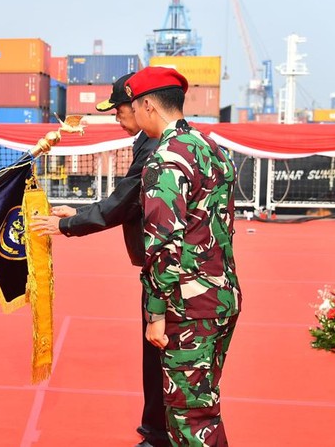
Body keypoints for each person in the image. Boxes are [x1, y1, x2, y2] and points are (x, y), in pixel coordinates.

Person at [30, 73, 169, 447]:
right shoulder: (148, 141)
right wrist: (73, 214)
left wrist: (68, 225)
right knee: (156, 358)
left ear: (143, 105)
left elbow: (126, 202)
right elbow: (125, 198)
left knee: (169, 361)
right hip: (160, 272)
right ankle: (157, 430)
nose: (116, 118)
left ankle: (162, 435)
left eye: (120, 110)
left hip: (174, 276)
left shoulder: (161, 148)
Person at [127, 66, 242, 446]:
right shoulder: (210, 147)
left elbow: (162, 243)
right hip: (222, 298)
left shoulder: (165, 158)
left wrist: (155, 313)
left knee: (190, 419)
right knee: (202, 407)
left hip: (188, 307)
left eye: (133, 107)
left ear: (147, 105)